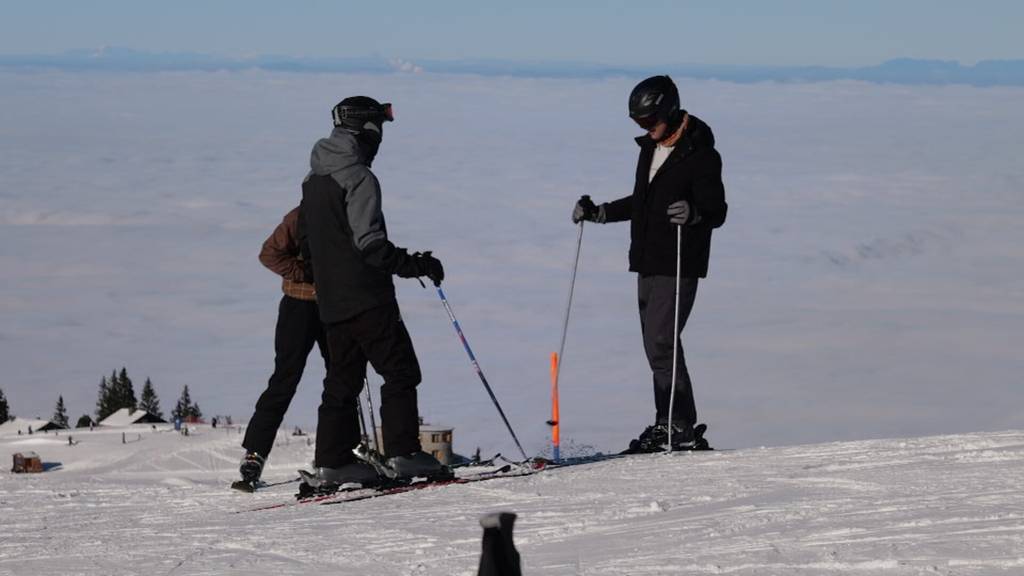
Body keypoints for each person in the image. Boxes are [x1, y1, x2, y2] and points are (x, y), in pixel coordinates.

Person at [572, 75, 727, 451]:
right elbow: (644, 200)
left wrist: (693, 214)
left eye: (649, 120)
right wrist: (601, 213)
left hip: (679, 262)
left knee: (661, 342)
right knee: (655, 344)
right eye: (638, 123)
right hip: (647, 259)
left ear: (670, 111)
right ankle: (672, 424)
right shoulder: (649, 150)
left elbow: (717, 211)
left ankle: (677, 426)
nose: (645, 128)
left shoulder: (701, 154)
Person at [300, 96, 446, 487]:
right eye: (378, 130)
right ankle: (403, 455)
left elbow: (307, 243)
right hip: (367, 298)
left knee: (341, 382)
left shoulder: (313, 180)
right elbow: (371, 246)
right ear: (368, 131)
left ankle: (333, 462)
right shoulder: (359, 177)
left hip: (331, 303)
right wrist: (417, 265)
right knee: (400, 371)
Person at [238, 206, 328, 484]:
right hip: (300, 306)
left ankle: (335, 455)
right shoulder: (301, 215)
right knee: (286, 380)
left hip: (334, 305)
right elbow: (269, 254)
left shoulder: (349, 209)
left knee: (343, 380)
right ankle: (255, 454)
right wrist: (303, 271)